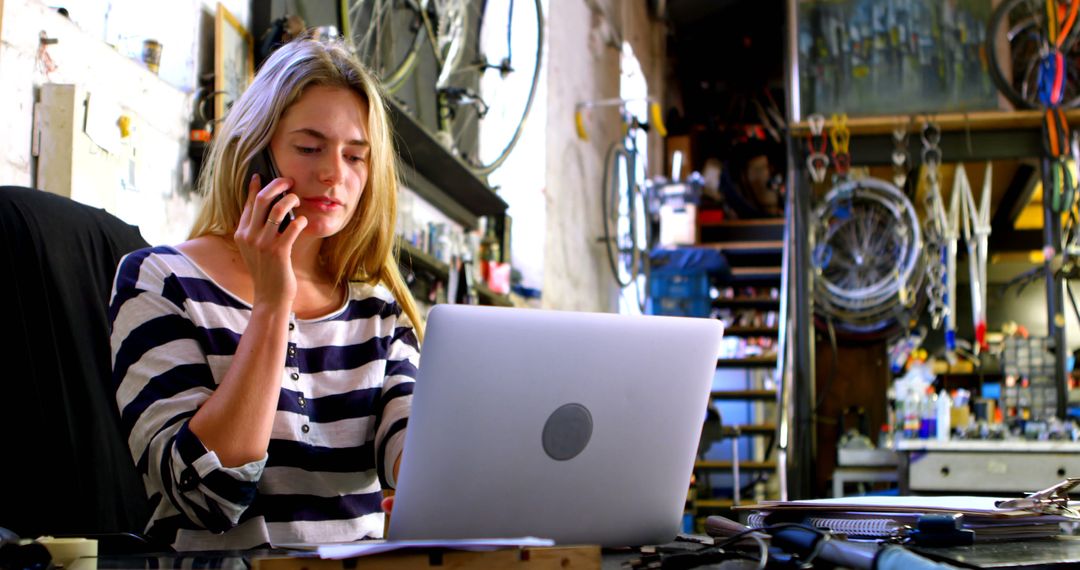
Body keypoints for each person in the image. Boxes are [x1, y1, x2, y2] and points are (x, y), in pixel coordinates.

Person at [108, 34, 423, 551]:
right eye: (309, 148)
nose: (334, 174)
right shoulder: (161, 279)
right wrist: (274, 304)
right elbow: (209, 497)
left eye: (355, 157)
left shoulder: (378, 309)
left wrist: (441, 477)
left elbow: (414, 455)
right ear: (256, 153)